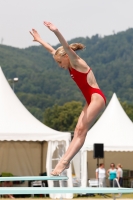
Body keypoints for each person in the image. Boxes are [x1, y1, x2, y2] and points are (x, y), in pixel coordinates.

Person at [30, 21, 106, 176]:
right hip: (89, 99)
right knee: (78, 130)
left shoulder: (77, 62)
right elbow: (53, 50)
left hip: (96, 97)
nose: (59, 65)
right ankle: (65, 162)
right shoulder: (68, 64)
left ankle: (64, 162)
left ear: (66, 56)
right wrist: (39, 40)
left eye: (59, 62)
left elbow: (64, 47)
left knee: (81, 130)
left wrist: (56, 31)